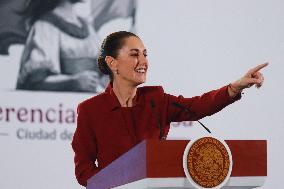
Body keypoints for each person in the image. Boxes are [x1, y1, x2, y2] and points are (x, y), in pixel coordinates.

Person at [71, 31, 268, 186]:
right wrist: (115, 184)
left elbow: (198, 106)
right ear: (112, 62)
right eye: (134, 54)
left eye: (145, 54)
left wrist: (236, 87)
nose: (143, 62)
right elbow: (84, 170)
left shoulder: (156, 99)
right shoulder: (90, 110)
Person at [16, 0, 107, 92]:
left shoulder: (87, 26)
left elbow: (101, 74)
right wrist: (74, 82)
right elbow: (36, 81)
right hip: (59, 103)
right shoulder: (45, 26)